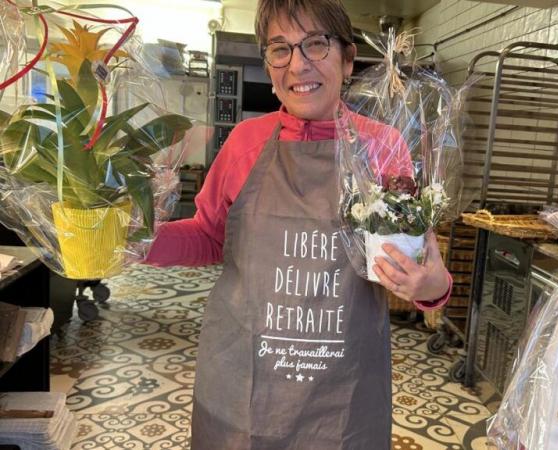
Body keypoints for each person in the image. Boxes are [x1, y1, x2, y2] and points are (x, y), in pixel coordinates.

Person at [145, 1, 453, 448]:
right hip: (243, 383)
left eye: (315, 44)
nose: (298, 64)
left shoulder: (382, 148)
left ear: (347, 60)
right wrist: (137, 241)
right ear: (268, 65)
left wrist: (428, 287)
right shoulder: (245, 142)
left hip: (343, 393)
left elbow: (425, 268)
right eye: (280, 49)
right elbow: (210, 237)